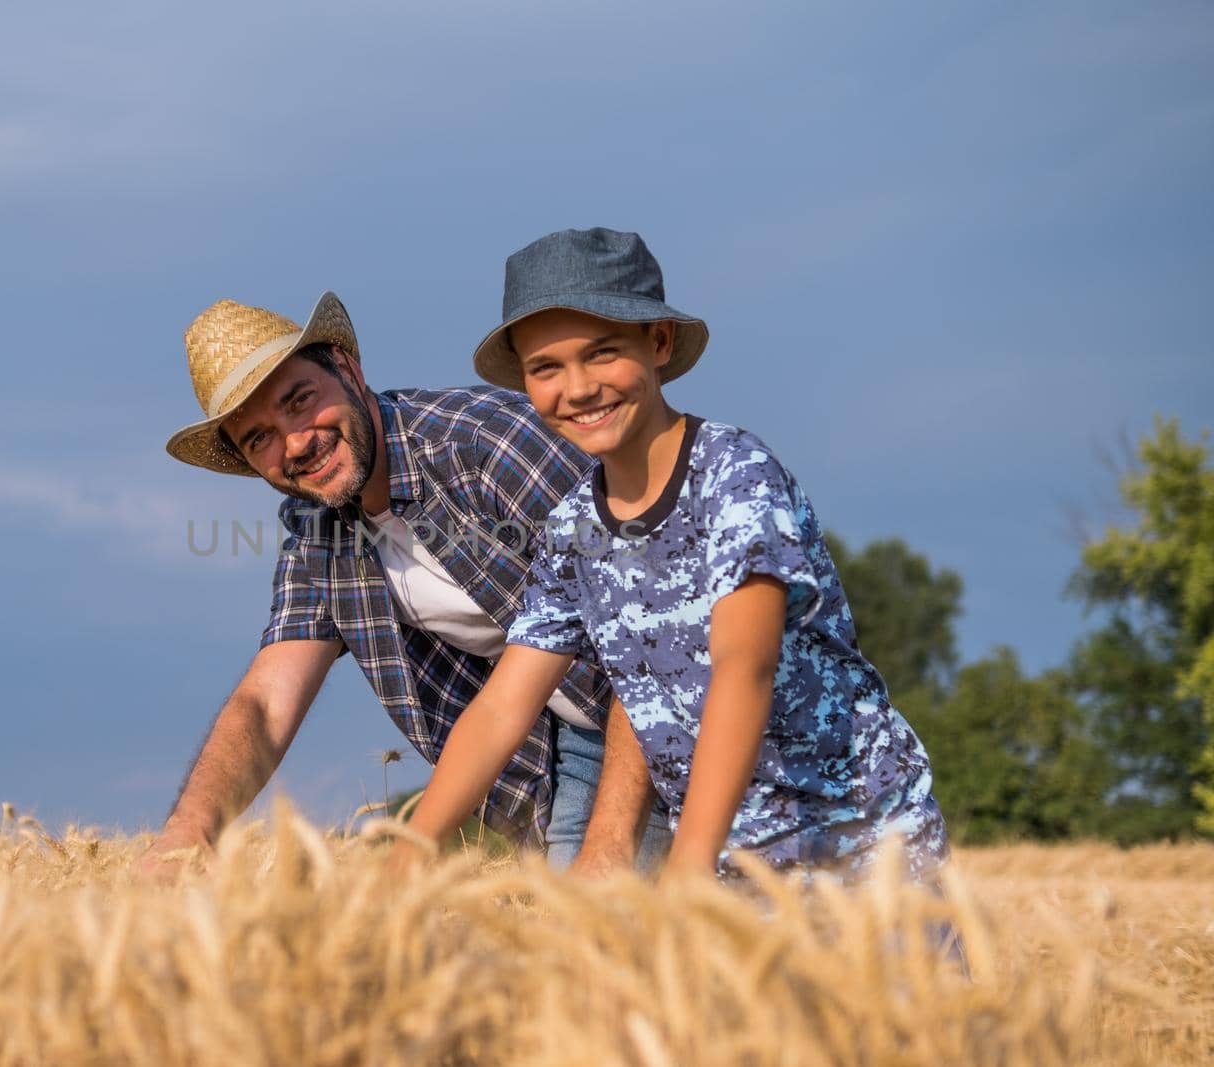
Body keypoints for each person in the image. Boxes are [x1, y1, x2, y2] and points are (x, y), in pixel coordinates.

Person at [398, 228, 949, 882]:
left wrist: (688, 858)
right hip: (734, 877)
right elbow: (501, 708)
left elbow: (745, 665)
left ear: (657, 343)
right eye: (546, 368)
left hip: (862, 847)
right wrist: (410, 851)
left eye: (602, 354)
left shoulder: (735, 476)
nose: (576, 388)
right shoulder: (573, 530)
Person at [138, 291, 673, 880]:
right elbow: (265, 703)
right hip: (583, 746)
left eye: (300, 402)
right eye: (259, 438)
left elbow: (652, 629)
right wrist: (185, 838)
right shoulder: (321, 534)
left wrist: (612, 842)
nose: (295, 444)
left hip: (687, 695)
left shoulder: (483, 450)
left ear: (348, 368)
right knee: (587, 944)